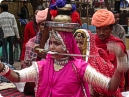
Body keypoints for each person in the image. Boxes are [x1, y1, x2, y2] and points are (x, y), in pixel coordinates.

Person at [0, 1, 128, 97]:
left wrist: (121, 63)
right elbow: (17, 77)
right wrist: (2, 67)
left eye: (56, 43)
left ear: (67, 46)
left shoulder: (79, 68)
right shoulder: (42, 66)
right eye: (51, 43)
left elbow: (110, 86)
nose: (51, 47)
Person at [74, 29, 123, 96]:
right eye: (76, 42)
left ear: (89, 45)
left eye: (81, 43)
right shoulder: (70, 62)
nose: (78, 46)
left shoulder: (96, 63)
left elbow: (110, 86)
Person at [91, 9, 128, 92]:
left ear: (111, 29)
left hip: (113, 86)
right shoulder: (90, 42)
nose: (101, 32)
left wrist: (121, 55)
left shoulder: (118, 45)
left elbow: (123, 69)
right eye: (98, 29)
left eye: (105, 29)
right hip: (92, 85)